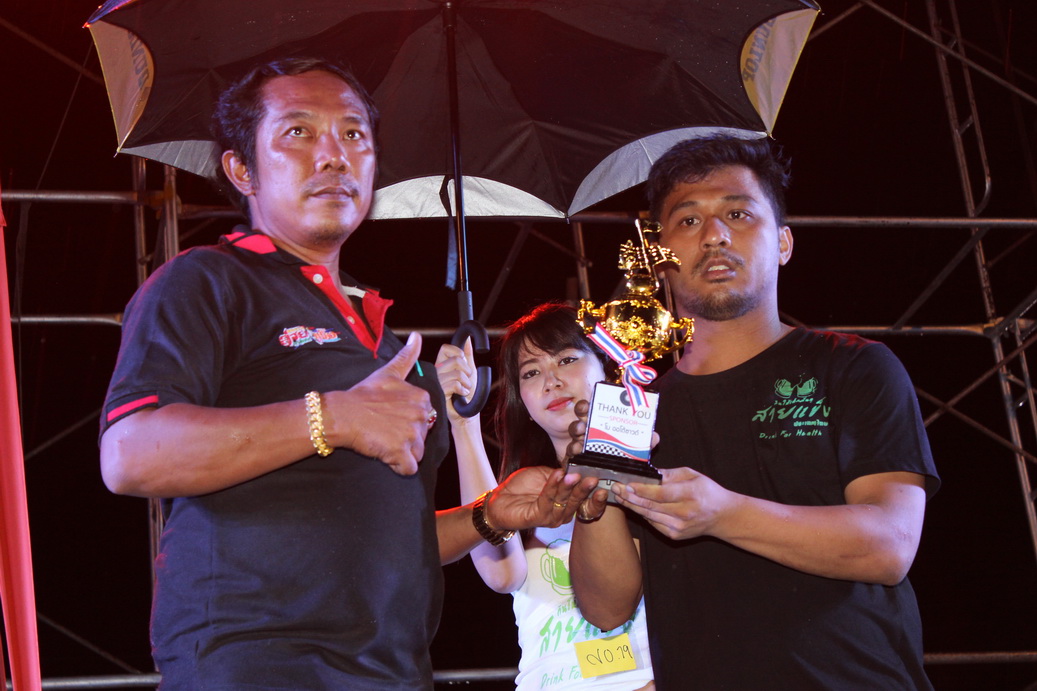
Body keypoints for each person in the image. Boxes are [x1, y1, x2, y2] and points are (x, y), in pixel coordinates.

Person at [98, 57, 596, 690]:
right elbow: (129, 453)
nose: (333, 155)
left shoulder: (382, 336)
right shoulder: (206, 281)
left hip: (393, 670)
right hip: (258, 667)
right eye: (298, 132)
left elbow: (388, 533)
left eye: (353, 134)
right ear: (242, 169)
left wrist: (488, 516)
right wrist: (330, 417)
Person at [568, 135, 940, 689]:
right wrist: (592, 490)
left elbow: (889, 544)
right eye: (688, 221)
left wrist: (722, 513)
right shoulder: (638, 409)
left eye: (738, 214)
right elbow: (605, 609)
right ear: (659, 257)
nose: (714, 235)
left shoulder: (854, 366)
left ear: (784, 242)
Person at [436, 303, 654, 690]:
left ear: (607, 367)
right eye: (531, 372)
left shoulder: (655, 473)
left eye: (566, 359)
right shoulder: (529, 492)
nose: (550, 381)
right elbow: (500, 574)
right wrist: (464, 423)